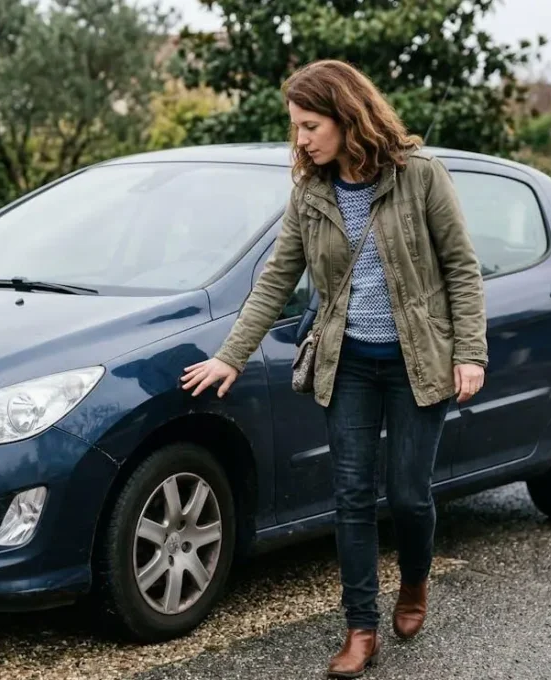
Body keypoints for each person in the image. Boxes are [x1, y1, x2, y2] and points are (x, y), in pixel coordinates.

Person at [180, 59, 488, 678]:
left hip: (416, 362)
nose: (301, 139)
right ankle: (360, 628)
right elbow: (274, 281)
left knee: (407, 494)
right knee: (350, 497)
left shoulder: (420, 175)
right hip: (346, 364)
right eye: (296, 127)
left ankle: (415, 583)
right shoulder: (310, 193)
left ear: (348, 116)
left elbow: (461, 267)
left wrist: (470, 353)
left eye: (310, 125)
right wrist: (230, 355)